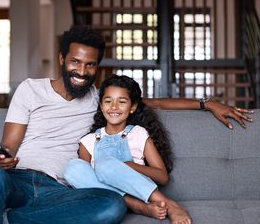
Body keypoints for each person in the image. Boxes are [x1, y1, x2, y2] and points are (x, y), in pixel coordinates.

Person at [0, 25, 253, 224]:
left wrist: (207, 104)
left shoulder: (100, 100)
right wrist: (3, 156)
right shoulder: (30, 89)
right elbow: (9, 143)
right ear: (62, 59)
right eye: (75, 62)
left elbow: (154, 102)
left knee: (110, 207)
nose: (82, 70)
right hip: (20, 179)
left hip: (63, 189)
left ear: (97, 68)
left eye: (90, 65)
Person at [64, 74, 192, 224]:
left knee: (105, 165)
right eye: (108, 101)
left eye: (122, 102)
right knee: (72, 168)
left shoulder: (138, 133)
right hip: (108, 200)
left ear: (132, 107)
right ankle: (137, 206)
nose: (114, 107)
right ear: (100, 105)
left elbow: (162, 177)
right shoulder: (88, 141)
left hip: (140, 192)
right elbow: (86, 182)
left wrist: (129, 166)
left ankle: (168, 204)